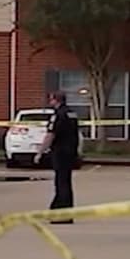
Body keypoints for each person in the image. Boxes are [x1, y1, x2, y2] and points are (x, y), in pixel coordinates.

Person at [36, 90, 80, 225]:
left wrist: (40, 152)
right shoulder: (72, 114)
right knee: (66, 182)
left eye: (51, 99)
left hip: (60, 153)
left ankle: (60, 213)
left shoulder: (58, 115)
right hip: (71, 152)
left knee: (60, 183)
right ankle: (67, 212)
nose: (50, 102)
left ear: (56, 100)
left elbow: (51, 134)